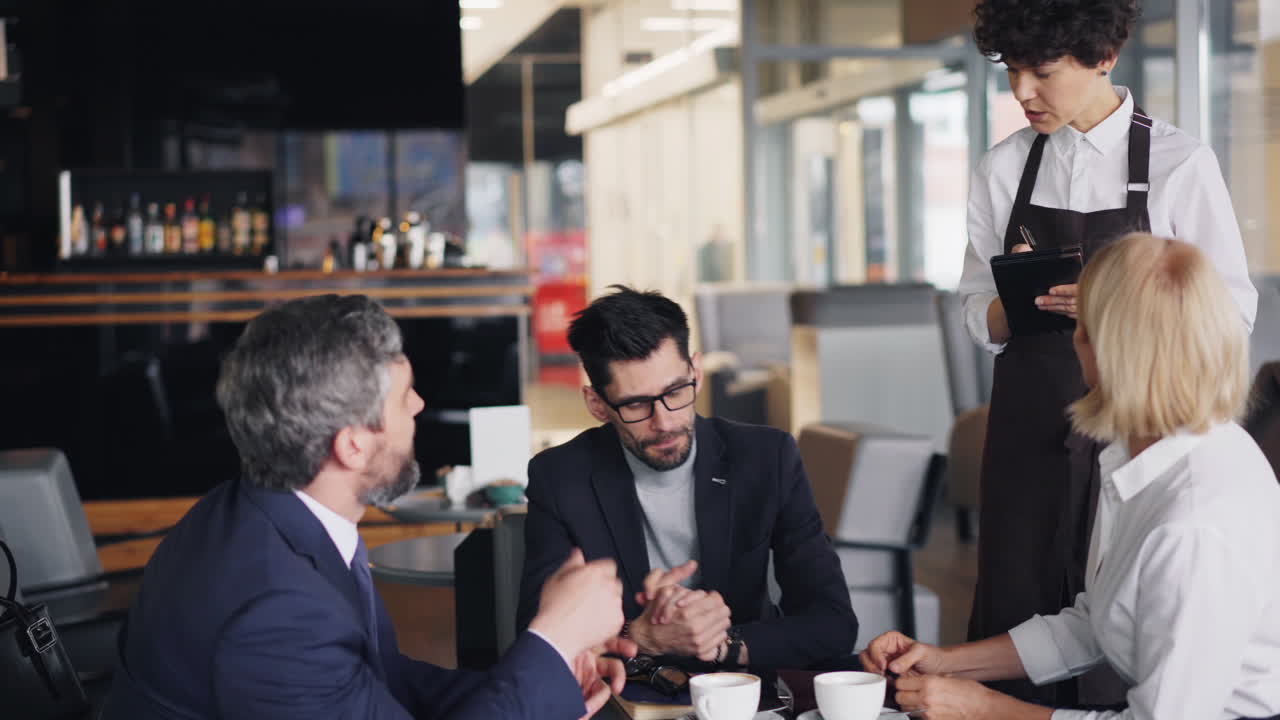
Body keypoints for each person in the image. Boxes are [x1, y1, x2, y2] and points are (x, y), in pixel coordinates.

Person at [101, 294, 633, 720]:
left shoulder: (263, 512)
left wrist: (549, 680)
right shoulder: (277, 612)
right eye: (405, 397)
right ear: (351, 445)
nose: (420, 405)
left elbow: (377, 679)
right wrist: (553, 637)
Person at [957, 0, 1257, 705]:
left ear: (1104, 57)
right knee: (1021, 598)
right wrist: (1018, 303)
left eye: (1042, 71)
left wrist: (1117, 302)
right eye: (1011, 70)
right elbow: (975, 312)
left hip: (1141, 429)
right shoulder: (1003, 170)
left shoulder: (1181, 164)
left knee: (1122, 621)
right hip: (1029, 427)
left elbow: (1230, 312)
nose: (1022, 92)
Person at [862, 234, 1280, 720]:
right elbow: (1094, 623)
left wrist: (982, 710)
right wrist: (947, 662)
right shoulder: (1138, 454)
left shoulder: (1194, 525)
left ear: (1097, 347)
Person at [516, 286, 857, 674]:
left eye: (675, 391)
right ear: (598, 405)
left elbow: (833, 624)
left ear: (695, 372)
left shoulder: (767, 458)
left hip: (745, 689)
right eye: (635, 404)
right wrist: (643, 636)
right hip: (628, 692)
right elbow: (536, 639)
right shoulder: (560, 477)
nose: (664, 422)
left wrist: (724, 645)